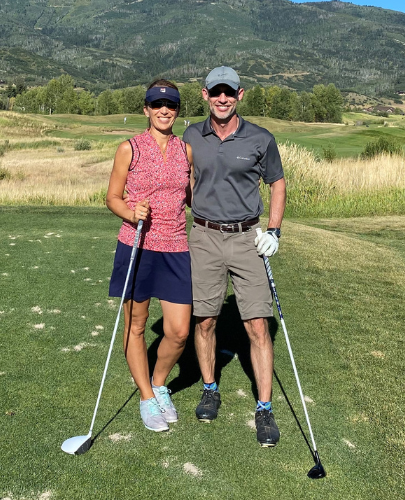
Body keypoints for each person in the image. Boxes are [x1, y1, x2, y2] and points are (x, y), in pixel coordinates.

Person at [183, 67, 287, 447]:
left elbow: (277, 182)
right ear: (205, 95)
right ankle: (210, 388)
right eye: (215, 93)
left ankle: (264, 408)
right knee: (205, 319)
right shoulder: (192, 134)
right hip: (205, 237)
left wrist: (274, 230)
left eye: (229, 93)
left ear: (240, 95)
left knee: (257, 325)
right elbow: (185, 180)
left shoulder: (260, 138)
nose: (222, 99)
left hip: (247, 238)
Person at [106, 79, 193, 432]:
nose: (164, 110)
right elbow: (112, 197)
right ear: (146, 109)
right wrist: (130, 212)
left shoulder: (185, 151)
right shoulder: (129, 148)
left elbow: (191, 198)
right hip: (137, 245)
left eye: (170, 104)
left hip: (176, 246)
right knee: (137, 325)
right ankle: (145, 397)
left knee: (179, 331)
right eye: (157, 104)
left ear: (177, 111)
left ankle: (159, 384)